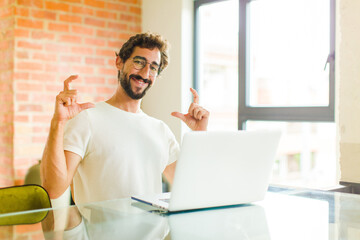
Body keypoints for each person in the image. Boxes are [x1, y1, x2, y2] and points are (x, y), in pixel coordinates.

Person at [40, 32, 210, 205]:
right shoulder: (87, 119)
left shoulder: (161, 130)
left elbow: (190, 187)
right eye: (139, 62)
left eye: (153, 67)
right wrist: (58, 122)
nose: (145, 72)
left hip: (155, 232)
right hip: (99, 232)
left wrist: (200, 134)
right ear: (119, 62)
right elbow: (54, 189)